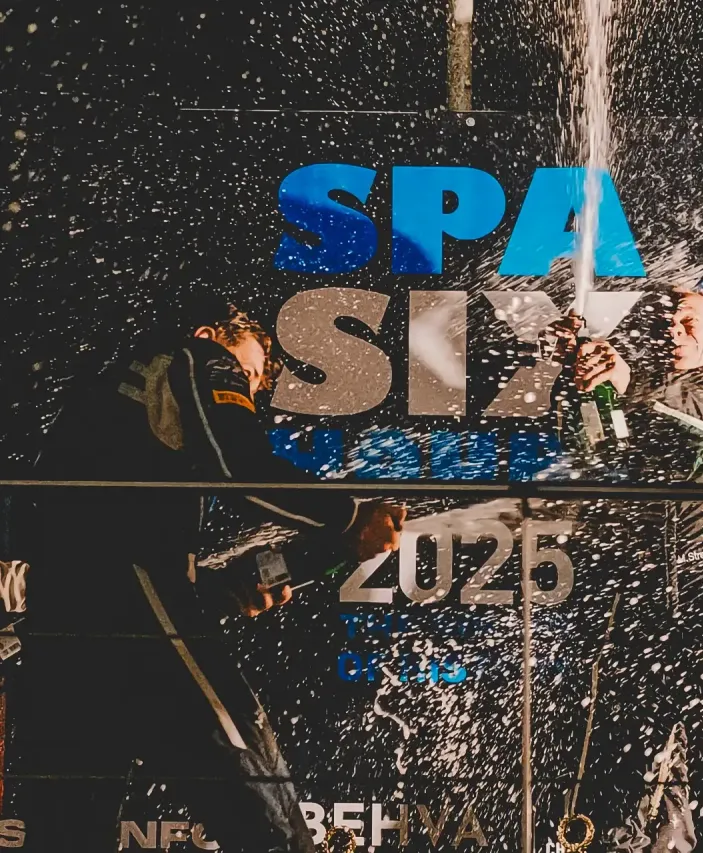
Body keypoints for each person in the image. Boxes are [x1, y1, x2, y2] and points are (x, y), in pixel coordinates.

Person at [5, 295, 405, 852]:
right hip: (130, 593)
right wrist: (349, 515)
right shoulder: (198, 356)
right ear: (210, 335)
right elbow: (238, 469)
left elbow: (97, 531)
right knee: (257, 789)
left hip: (64, 617)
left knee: (68, 828)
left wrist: (217, 588)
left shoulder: (114, 405)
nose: (247, 391)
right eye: (249, 373)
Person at [566, 286, 703, 853]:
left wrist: (632, 382)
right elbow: (595, 449)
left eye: (689, 321)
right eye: (667, 324)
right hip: (651, 612)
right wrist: (585, 384)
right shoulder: (653, 406)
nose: (675, 330)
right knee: (628, 778)